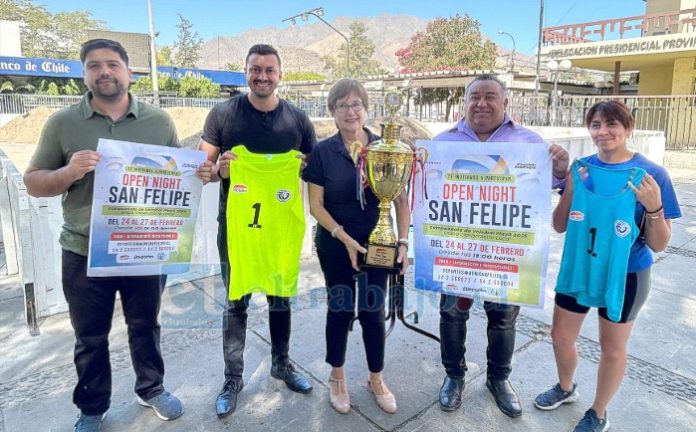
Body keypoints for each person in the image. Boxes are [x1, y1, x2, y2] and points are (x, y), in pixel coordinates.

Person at [23, 39, 213, 432]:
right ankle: (93, 406)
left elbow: (175, 176)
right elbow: (34, 182)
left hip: (143, 247)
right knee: (89, 334)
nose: (104, 72)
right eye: (94, 65)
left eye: (112, 64)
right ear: (84, 73)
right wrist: (69, 172)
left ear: (129, 71)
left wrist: (200, 174)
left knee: (145, 325)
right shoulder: (63, 123)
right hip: (83, 249)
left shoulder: (158, 121)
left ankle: (152, 387)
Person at [534, 100, 681, 432]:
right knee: (560, 335)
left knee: (612, 347)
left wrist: (654, 207)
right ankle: (566, 386)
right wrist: (569, 192)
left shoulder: (652, 175)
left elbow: (659, 244)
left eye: (612, 124)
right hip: (580, 266)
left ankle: (599, 412)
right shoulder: (582, 169)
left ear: (628, 128)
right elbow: (560, 225)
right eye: (596, 124)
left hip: (627, 273)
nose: (603, 132)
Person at [434, 74, 570, 417]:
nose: (481, 103)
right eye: (474, 97)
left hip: (506, 252)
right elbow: (426, 191)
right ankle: (454, 376)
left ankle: (498, 379)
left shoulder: (529, 143)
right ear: (464, 103)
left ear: (505, 103)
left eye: (490, 96)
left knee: (503, 317)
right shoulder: (442, 142)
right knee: (452, 312)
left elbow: (552, 185)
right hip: (457, 251)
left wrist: (560, 169)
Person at [198, 44, 316, 419]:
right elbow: (202, 169)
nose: (262, 76)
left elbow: (315, 170)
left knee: (281, 297)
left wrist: (304, 167)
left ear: (280, 74)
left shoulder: (298, 120)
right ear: (245, 72)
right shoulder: (222, 114)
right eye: (255, 69)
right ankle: (232, 378)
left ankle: (281, 363)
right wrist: (220, 171)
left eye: (269, 69)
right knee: (236, 301)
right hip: (236, 228)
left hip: (280, 228)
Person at [302, 79, 410, 414]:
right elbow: (315, 206)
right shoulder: (322, 152)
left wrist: (403, 242)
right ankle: (337, 377)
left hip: (378, 246)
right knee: (340, 310)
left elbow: (402, 202)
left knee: (373, 313)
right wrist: (344, 238)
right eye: (342, 105)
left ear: (367, 109)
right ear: (332, 112)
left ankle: (375, 378)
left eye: (357, 104)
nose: (351, 111)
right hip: (336, 245)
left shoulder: (386, 148)